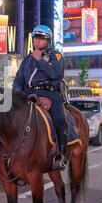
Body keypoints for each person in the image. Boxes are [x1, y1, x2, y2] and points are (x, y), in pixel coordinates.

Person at [13, 25, 67, 170]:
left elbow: (55, 74)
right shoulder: (27, 59)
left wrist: (40, 61)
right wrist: (17, 93)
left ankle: (61, 155)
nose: (38, 41)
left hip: (49, 93)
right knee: (9, 115)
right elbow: (18, 80)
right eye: (36, 38)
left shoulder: (56, 55)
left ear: (48, 41)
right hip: (28, 93)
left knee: (60, 120)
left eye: (41, 39)